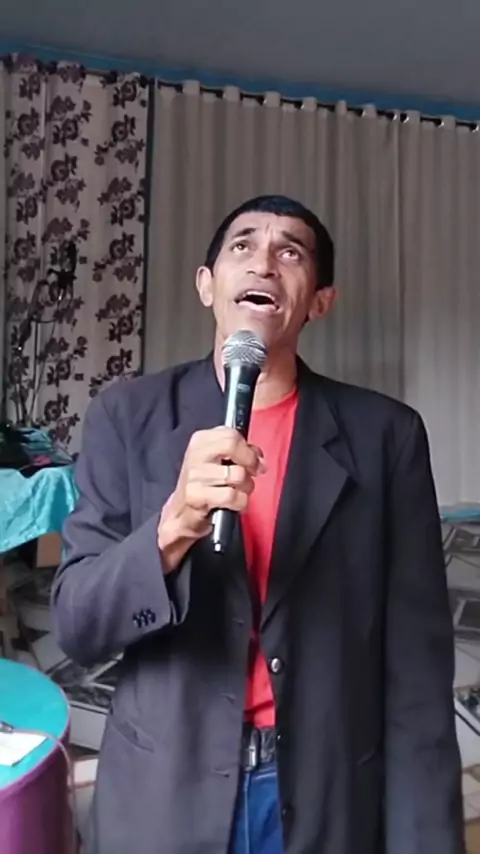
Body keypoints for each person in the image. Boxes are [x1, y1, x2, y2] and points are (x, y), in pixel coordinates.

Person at [51, 194, 464, 854]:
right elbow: (79, 626)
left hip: (324, 794)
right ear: (206, 285)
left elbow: (417, 665)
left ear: (320, 301)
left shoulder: (386, 437)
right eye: (242, 246)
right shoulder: (126, 417)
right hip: (164, 795)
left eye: (290, 252)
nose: (265, 262)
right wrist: (170, 529)